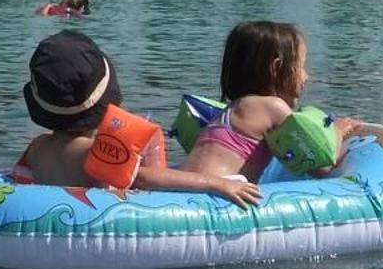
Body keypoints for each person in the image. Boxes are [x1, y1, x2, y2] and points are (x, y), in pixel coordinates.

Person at [14, 30, 261, 205]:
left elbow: (18, 182)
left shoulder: (37, 147)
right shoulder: (100, 151)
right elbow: (146, 179)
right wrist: (217, 184)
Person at [180, 21, 367, 181]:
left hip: (186, 191)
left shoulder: (232, 110)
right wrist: (337, 131)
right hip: (211, 200)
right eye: (301, 66)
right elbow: (320, 166)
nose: (306, 76)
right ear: (276, 67)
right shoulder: (272, 108)